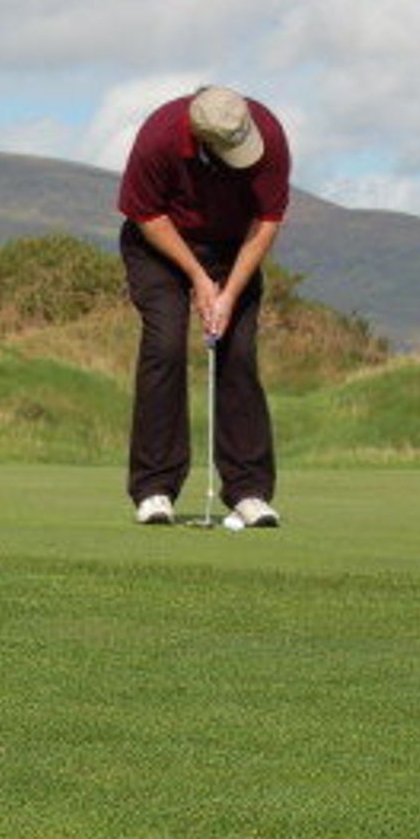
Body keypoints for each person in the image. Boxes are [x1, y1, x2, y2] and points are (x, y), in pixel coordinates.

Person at [117, 84, 288, 528]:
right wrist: (196, 276)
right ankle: (154, 488)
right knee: (166, 346)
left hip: (235, 247)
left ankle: (249, 492)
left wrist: (227, 292)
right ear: (201, 140)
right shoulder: (159, 137)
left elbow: (267, 219)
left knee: (239, 353)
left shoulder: (268, 133)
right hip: (160, 247)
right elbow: (146, 216)